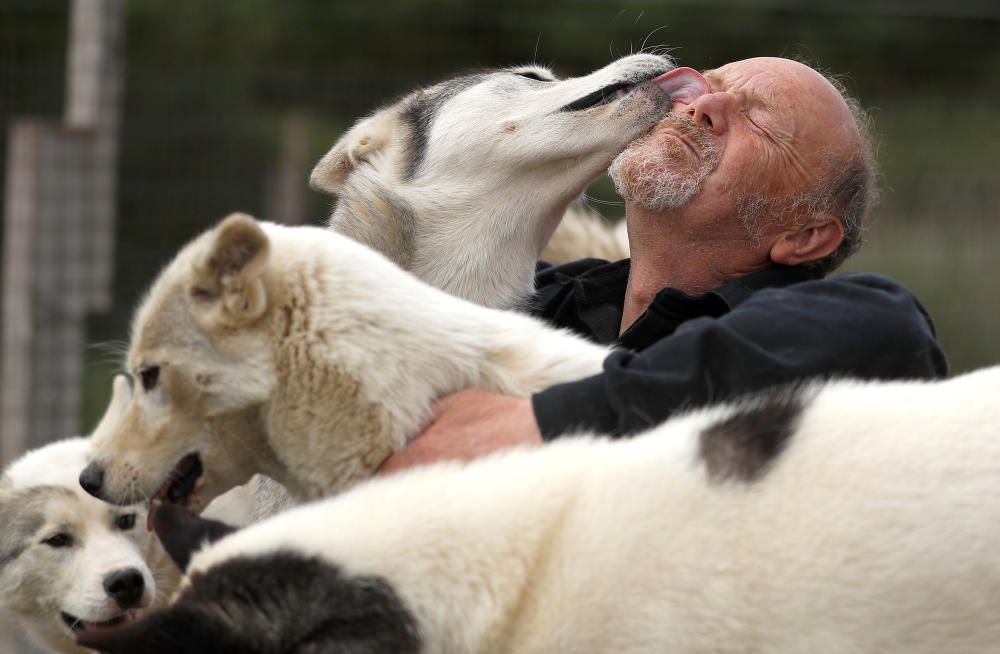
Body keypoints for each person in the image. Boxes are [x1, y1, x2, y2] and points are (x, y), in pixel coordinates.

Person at [380, 57, 947, 474]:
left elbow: (889, 337)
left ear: (804, 237)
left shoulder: (851, 333)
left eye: (761, 123)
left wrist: (544, 422)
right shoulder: (545, 301)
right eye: (709, 86)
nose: (701, 105)